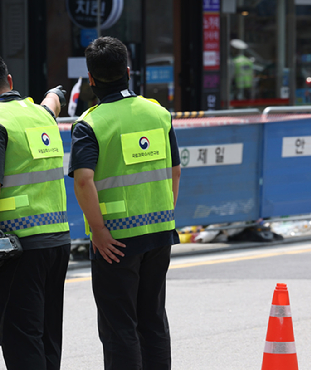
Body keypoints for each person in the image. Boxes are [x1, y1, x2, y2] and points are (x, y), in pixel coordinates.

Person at [68, 36, 181, 370]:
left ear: (91, 79)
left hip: (115, 240)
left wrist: (99, 230)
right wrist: (165, 214)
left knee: (120, 326)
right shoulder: (158, 113)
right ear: (128, 71)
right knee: (153, 319)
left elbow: (84, 179)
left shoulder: (90, 123)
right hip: (160, 232)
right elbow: (175, 171)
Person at [0, 51, 71, 370]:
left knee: (22, 342)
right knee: (48, 338)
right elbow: (51, 105)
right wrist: (55, 94)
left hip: (18, 249)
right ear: (9, 81)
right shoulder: (40, 115)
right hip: (58, 242)